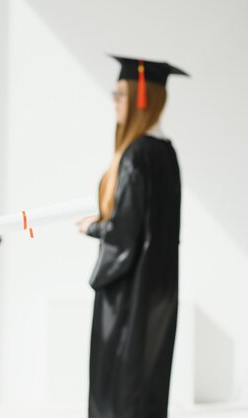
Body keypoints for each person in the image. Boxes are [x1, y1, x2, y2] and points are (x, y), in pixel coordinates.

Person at [77, 55, 188, 418]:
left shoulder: (136, 154)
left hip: (128, 294)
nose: (114, 102)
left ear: (142, 99)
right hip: (159, 288)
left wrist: (92, 226)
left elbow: (125, 234)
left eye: (120, 95)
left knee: (119, 386)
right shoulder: (166, 152)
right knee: (146, 382)